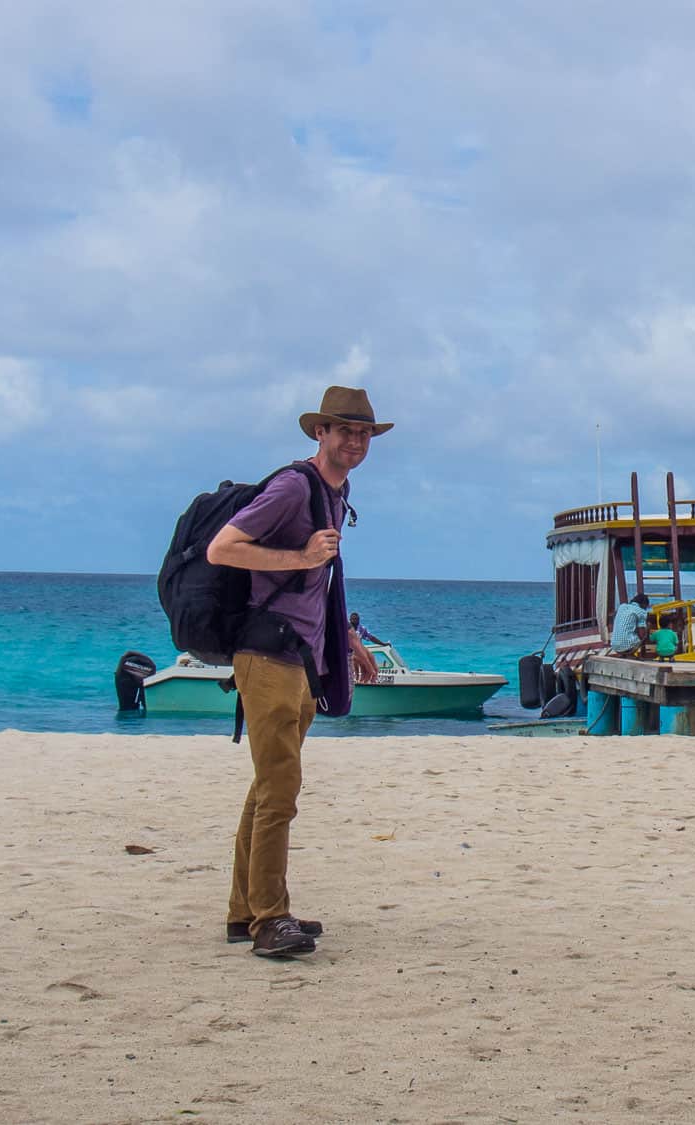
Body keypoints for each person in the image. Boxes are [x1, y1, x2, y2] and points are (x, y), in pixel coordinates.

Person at [206, 385, 392, 958]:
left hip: (303, 658)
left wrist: (348, 639)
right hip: (267, 656)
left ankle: (247, 911)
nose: (355, 441)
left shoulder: (337, 492)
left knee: (268, 786)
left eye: (363, 433)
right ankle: (270, 919)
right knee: (281, 789)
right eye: (345, 431)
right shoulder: (292, 487)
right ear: (321, 433)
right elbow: (223, 548)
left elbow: (319, 588)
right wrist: (301, 556)